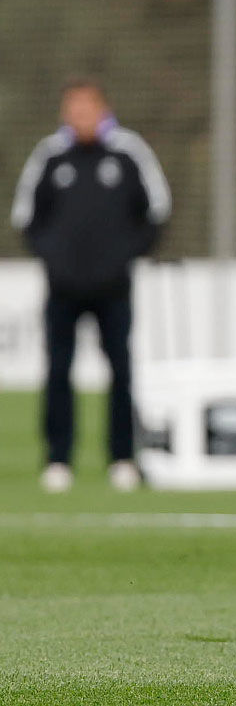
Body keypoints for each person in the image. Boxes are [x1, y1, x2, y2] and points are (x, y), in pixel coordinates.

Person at [11, 79, 170, 494]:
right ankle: (58, 459)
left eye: (87, 108)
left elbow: (156, 210)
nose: (79, 116)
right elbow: (27, 217)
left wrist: (122, 257)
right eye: (73, 109)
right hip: (62, 289)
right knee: (58, 371)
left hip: (113, 288)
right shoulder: (50, 155)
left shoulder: (128, 152)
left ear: (102, 109)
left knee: (121, 371)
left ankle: (122, 458)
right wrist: (56, 260)